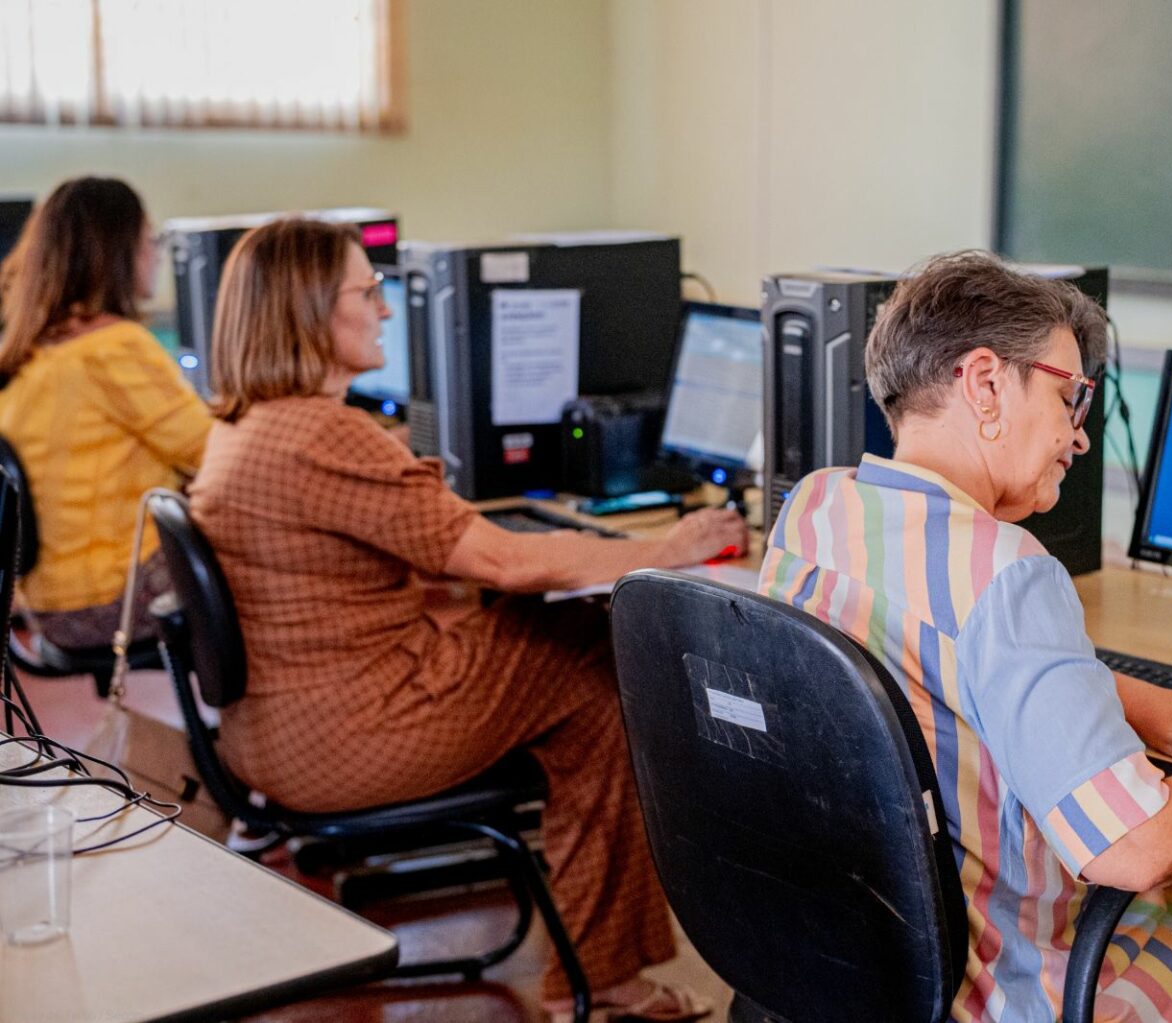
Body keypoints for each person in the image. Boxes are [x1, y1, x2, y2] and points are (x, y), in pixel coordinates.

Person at [759, 251, 1172, 1023]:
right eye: (1070, 397)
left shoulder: (817, 509)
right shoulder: (1004, 569)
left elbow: (920, 654)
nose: (1079, 437)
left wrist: (1130, 697)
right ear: (985, 383)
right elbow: (1134, 846)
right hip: (1004, 984)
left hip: (853, 959)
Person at [188, 217, 744, 1021]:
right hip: (348, 737)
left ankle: (601, 965)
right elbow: (506, 562)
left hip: (270, 735)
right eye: (368, 291)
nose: (385, 310)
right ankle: (604, 979)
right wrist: (672, 545)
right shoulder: (321, 433)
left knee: (558, 652)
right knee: (596, 657)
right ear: (309, 309)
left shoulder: (245, 423)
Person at [0, 176, 212, 649]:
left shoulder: (33, 350)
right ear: (118, 252)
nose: (156, 254)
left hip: (51, 600)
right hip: (111, 598)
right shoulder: (113, 347)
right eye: (150, 240)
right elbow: (213, 455)